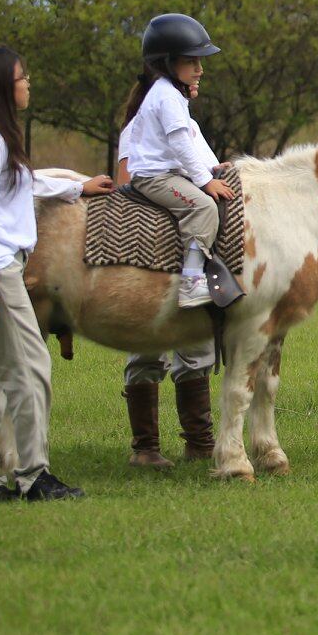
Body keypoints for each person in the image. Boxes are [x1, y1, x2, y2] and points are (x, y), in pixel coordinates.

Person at [0, 46, 113, 501]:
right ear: (2, 87)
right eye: (22, 76)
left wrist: (78, 186)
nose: (28, 83)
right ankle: (33, 476)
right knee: (30, 368)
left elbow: (22, 184)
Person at [116, 101, 216, 469]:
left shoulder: (187, 125)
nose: (197, 76)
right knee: (148, 344)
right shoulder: (138, 129)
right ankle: (145, 448)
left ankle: (200, 444)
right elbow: (127, 186)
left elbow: (208, 168)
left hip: (192, 248)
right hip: (151, 252)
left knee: (196, 341)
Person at [122, 13, 235, 308]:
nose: (200, 70)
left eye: (200, 62)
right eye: (191, 62)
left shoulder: (169, 94)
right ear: (167, 63)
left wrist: (212, 168)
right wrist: (206, 181)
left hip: (165, 173)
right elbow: (180, 144)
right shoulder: (168, 97)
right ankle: (192, 281)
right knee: (203, 207)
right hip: (154, 178)